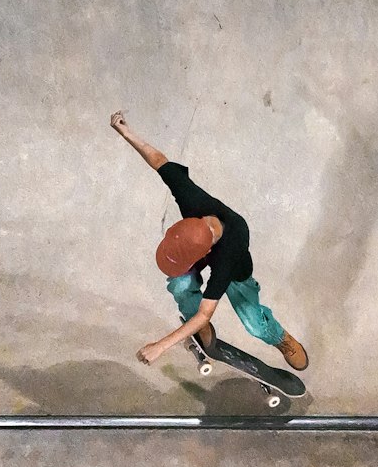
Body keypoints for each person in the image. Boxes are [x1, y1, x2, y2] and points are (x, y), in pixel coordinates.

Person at [110, 112, 309, 371]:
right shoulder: (191, 200)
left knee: (253, 324)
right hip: (207, 249)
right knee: (180, 284)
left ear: (204, 252)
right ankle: (200, 329)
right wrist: (127, 133)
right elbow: (159, 161)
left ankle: (279, 338)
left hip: (237, 274)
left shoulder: (230, 251)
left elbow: (207, 311)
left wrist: (160, 346)